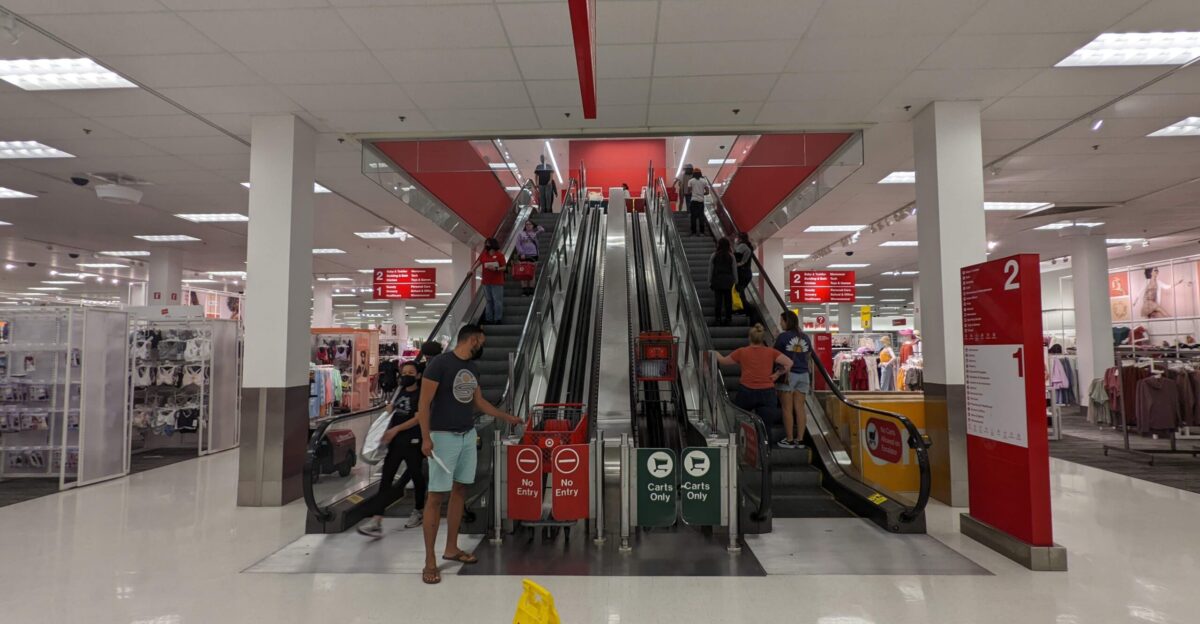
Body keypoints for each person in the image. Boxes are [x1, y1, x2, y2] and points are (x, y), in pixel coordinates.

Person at [417, 324, 521, 585]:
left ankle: (451, 548)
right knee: (435, 496)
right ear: (472, 339)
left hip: (466, 435)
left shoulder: (471, 368)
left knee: (460, 491)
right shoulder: (439, 364)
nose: (482, 346)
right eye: (481, 341)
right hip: (442, 437)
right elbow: (423, 403)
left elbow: (479, 402)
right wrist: (426, 437)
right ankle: (430, 560)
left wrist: (506, 416)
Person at [357, 361, 428, 538]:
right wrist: (389, 412)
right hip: (395, 443)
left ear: (418, 376)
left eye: (411, 372)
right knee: (386, 479)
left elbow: (419, 418)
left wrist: (396, 429)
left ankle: (419, 510)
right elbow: (392, 413)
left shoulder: (421, 394)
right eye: (404, 372)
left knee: (417, 476)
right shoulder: (398, 392)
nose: (406, 376)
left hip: (413, 441)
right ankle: (377, 520)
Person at [716, 323, 792, 427]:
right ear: (762, 339)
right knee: (765, 427)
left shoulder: (741, 352)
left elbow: (723, 361)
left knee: (740, 424)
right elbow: (789, 363)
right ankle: (764, 442)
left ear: (749, 338)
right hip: (767, 393)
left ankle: (743, 442)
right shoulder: (771, 352)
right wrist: (777, 374)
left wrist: (715, 353)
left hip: (746, 392)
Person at [774, 310, 813, 449]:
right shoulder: (805, 337)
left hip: (788, 375)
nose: (780, 323)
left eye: (782, 320)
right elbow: (808, 356)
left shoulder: (783, 337)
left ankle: (789, 439)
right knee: (800, 408)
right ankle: (800, 440)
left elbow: (775, 355)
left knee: (787, 409)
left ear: (787, 321)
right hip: (804, 374)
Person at [709, 238, 737, 326]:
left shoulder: (714, 255)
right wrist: (736, 281)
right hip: (728, 281)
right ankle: (728, 319)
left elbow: (711, 269)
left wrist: (709, 281)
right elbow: (734, 269)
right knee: (728, 301)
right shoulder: (731, 256)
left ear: (719, 245)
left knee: (718, 301)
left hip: (717, 280)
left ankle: (718, 319)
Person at [479, 238, 506, 324]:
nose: (486, 245)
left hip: (497, 282)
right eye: (486, 244)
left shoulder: (500, 255)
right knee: (489, 300)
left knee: (497, 300)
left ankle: (498, 318)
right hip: (486, 281)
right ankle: (489, 318)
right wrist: (472, 270)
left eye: (488, 244)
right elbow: (478, 262)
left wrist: (496, 268)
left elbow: (504, 267)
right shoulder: (484, 254)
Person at [515, 220, 544, 296]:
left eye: (530, 224)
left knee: (532, 273)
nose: (528, 225)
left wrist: (536, 225)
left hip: (534, 255)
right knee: (523, 273)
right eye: (526, 224)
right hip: (523, 256)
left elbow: (542, 230)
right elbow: (518, 244)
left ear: (532, 225)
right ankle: (524, 291)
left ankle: (531, 291)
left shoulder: (535, 234)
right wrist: (522, 253)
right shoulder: (521, 234)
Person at [733, 232, 754, 313]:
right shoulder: (749, 246)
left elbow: (736, 258)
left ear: (740, 239)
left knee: (739, 291)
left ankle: (747, 309)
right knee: (740, 291)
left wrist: (740, 262)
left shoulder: (742, 246)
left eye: (737, 238)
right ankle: (743, 308)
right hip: (747, 272)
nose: (736, 239)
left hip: (742, 273)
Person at [687, 168, 710, 236]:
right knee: (701, 217)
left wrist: (694, 193)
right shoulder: (704, 181)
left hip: (693, 201)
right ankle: (702, 232)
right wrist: (702, 194)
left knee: (693, 217)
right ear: (700, 173)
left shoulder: (691, 181)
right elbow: (707, 192)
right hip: (701, 201)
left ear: (693, 174)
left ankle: (693, 232)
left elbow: (689, 191)